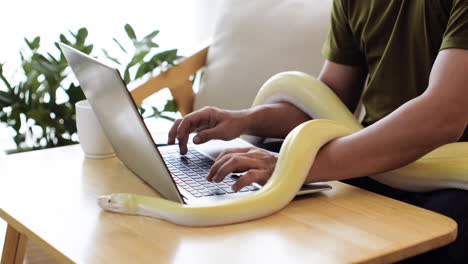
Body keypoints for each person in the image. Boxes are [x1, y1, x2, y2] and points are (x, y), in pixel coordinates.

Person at [168, 1, 468, 262]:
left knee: (437, 232)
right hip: (377, 154)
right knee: (234, 166)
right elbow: (331, 98)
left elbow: (443, 116)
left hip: (455, 174)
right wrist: (244, 120)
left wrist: (294, 167)